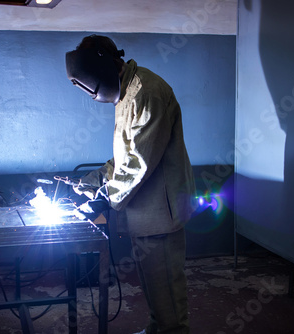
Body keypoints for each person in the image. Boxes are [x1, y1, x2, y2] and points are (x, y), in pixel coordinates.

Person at [64, 35, 197, 334]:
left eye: (90, 85)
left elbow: (139, 162)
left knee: (169, 303)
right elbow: (126, 154)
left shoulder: (147, 93)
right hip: (144, 213)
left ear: (106, 65)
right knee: (154, 291)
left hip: (161, 216)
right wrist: (95, 179)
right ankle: (156, 328)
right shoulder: (127, 93)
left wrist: (105, 197)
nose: (90, 93)